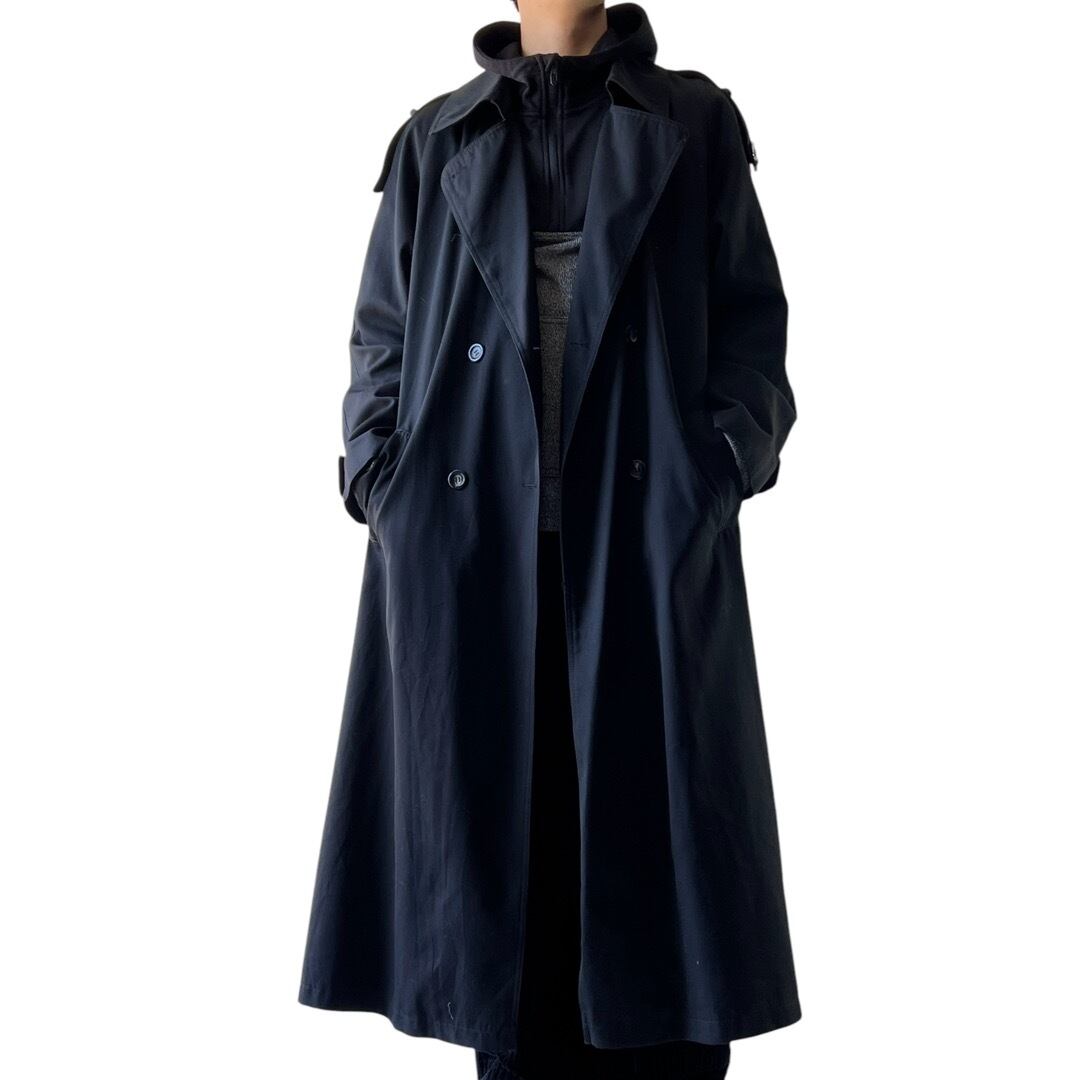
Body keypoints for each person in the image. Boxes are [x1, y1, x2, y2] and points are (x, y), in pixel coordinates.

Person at [299, 4, 799, 1078]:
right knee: (501, 894)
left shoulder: (693, 122)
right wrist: (381, 477)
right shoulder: (436, 136)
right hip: (469, 556)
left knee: (661, 873)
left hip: (646, 552)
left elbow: (753, 330)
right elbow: (382, 336)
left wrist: (717, 468)